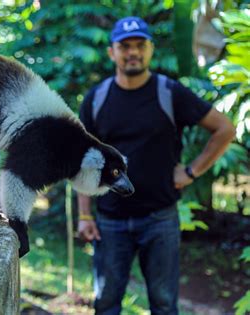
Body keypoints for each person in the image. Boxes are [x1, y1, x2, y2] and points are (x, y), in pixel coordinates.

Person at [77, 16, 235, 315]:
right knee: (106, 302)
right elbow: (85, 161)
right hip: (110, 222)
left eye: (140, 45)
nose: (132, 52)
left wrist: (191, 172)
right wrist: (85, 215)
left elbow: (224, 128)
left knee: (164, 304)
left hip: (159, 219)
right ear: (112, 52)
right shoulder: (96, 99)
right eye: (125, 46)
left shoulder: (170, 93)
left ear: (150, 49)